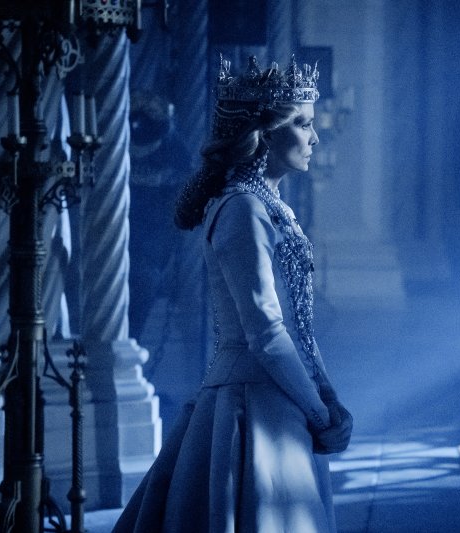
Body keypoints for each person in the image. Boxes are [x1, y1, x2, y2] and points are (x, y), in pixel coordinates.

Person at [113, 55, 352, 533]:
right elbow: (266, 332)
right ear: (265, 134)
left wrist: (326, 395)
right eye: (303, 124)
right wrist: (317, 410)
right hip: (253, 401)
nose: (314, 138)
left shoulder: (269, 205)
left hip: (279, 393)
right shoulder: (243, 208)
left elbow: (300, 327)